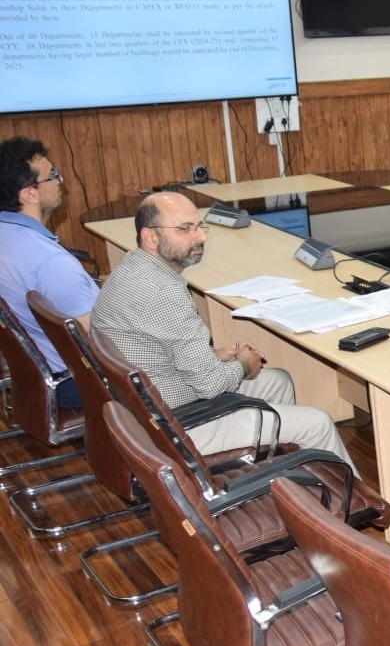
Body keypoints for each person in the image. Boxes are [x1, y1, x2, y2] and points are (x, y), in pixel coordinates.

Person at [91, 192, 357, 467]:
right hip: (178, 423)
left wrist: (213, 356)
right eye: (184, 229)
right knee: (317, 423)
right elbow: (211, 386)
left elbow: (161, 347)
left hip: (149, 405)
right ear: (150, 237)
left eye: (199, 226)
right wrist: (243, 365)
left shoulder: (131, 270)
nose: (200, 237)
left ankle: (281, 478)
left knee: (278, 380)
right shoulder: (163, 292)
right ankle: (346, 496)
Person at [0, 136, 98, 409]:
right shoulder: (50, 262)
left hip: (37, 372)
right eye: (53, 175)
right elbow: (101, 341)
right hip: (78, 381)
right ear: (30, 193)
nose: (61, 180)